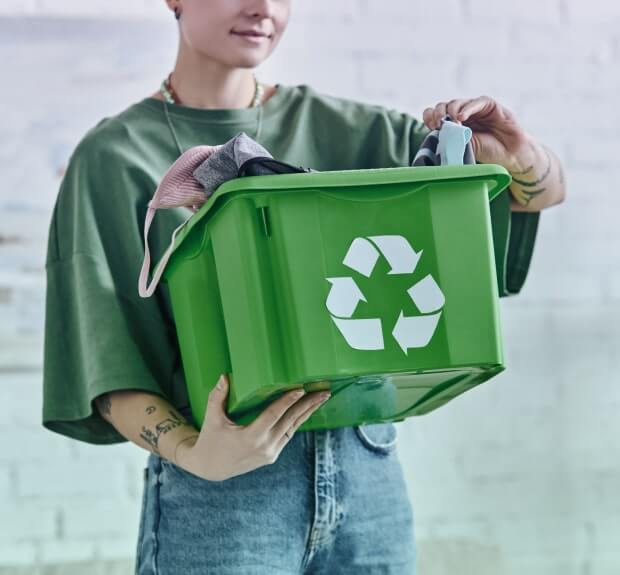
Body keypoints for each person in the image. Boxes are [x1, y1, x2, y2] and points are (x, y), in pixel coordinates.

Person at [42, 1, 566, 574]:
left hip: (369, 471)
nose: (261, 8)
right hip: (225, 493)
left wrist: (521, 157)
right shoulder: (115, 157)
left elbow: (529, 195)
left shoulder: (358, 131)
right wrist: (193, 452)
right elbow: (108, 361)